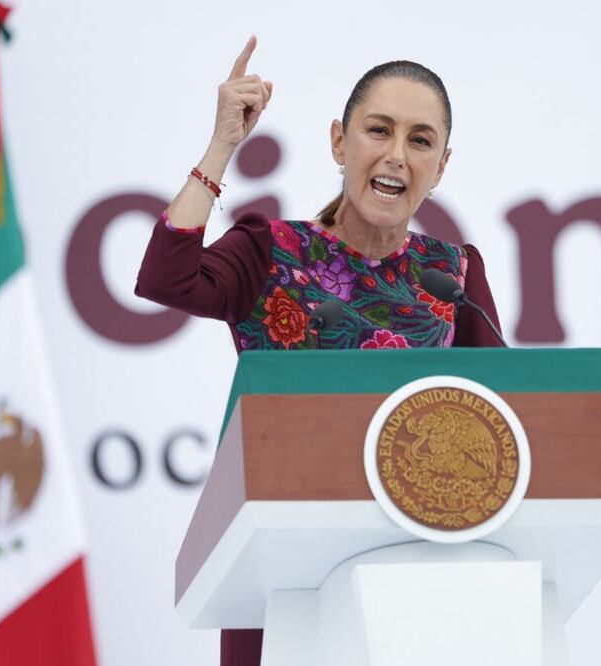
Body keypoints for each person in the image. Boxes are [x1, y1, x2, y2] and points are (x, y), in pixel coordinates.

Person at [134, 36, 503, 664]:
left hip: (418, 585)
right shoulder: (270, 251)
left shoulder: (454, 274)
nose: (395, 155)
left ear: (441, 166)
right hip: (285, 579)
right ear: (339, 141)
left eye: (420, 141)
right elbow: (167, 278)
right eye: (377, 130)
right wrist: (223, 145)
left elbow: (501, 421)